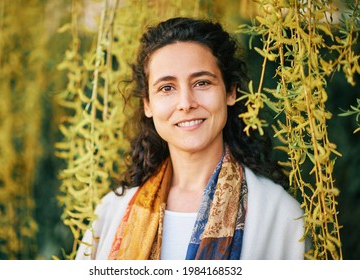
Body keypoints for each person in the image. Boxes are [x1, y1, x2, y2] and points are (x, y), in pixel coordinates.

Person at [76, 17, 306, 260]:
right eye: (167, 88)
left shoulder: (278, 213)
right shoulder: (111, 212)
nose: (186, 103)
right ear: (147, 104)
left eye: (202, 82)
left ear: (230, 92)